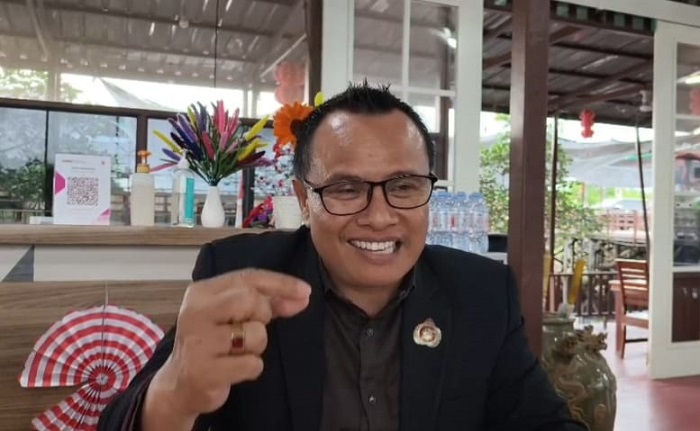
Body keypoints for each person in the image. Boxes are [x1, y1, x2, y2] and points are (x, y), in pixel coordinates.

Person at [98, 82, 585, 431]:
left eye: (403, 186)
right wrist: (174, 394)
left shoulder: (481, 293)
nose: (380, 216)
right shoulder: (240, 278)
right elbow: (120, 421)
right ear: (303, 198)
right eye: (346, 189)